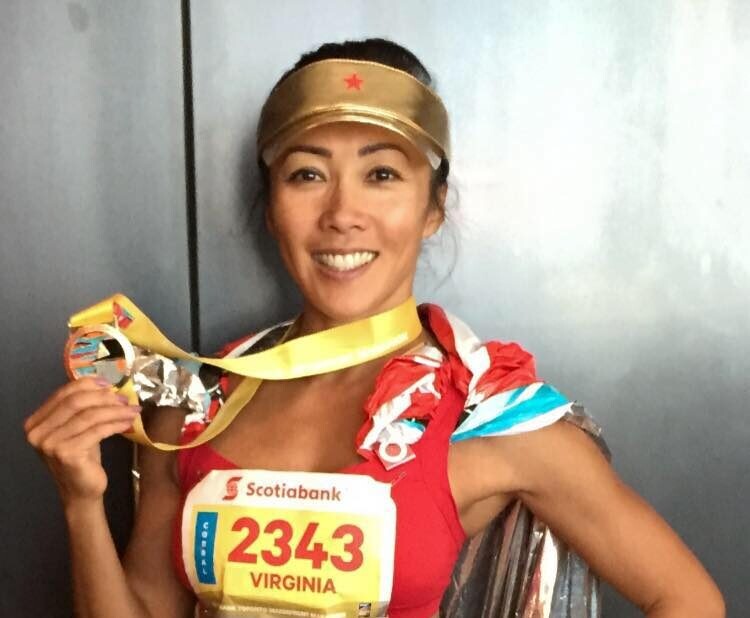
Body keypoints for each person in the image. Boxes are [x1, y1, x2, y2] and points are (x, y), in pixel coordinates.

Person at [24, 38, 724, 618]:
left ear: (433, 208)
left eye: (382, 174)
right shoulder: (194, 402)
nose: (342, 215)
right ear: (271, 209)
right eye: (307, 175)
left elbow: (687, 600)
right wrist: (82, 504)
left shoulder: (490, 417)